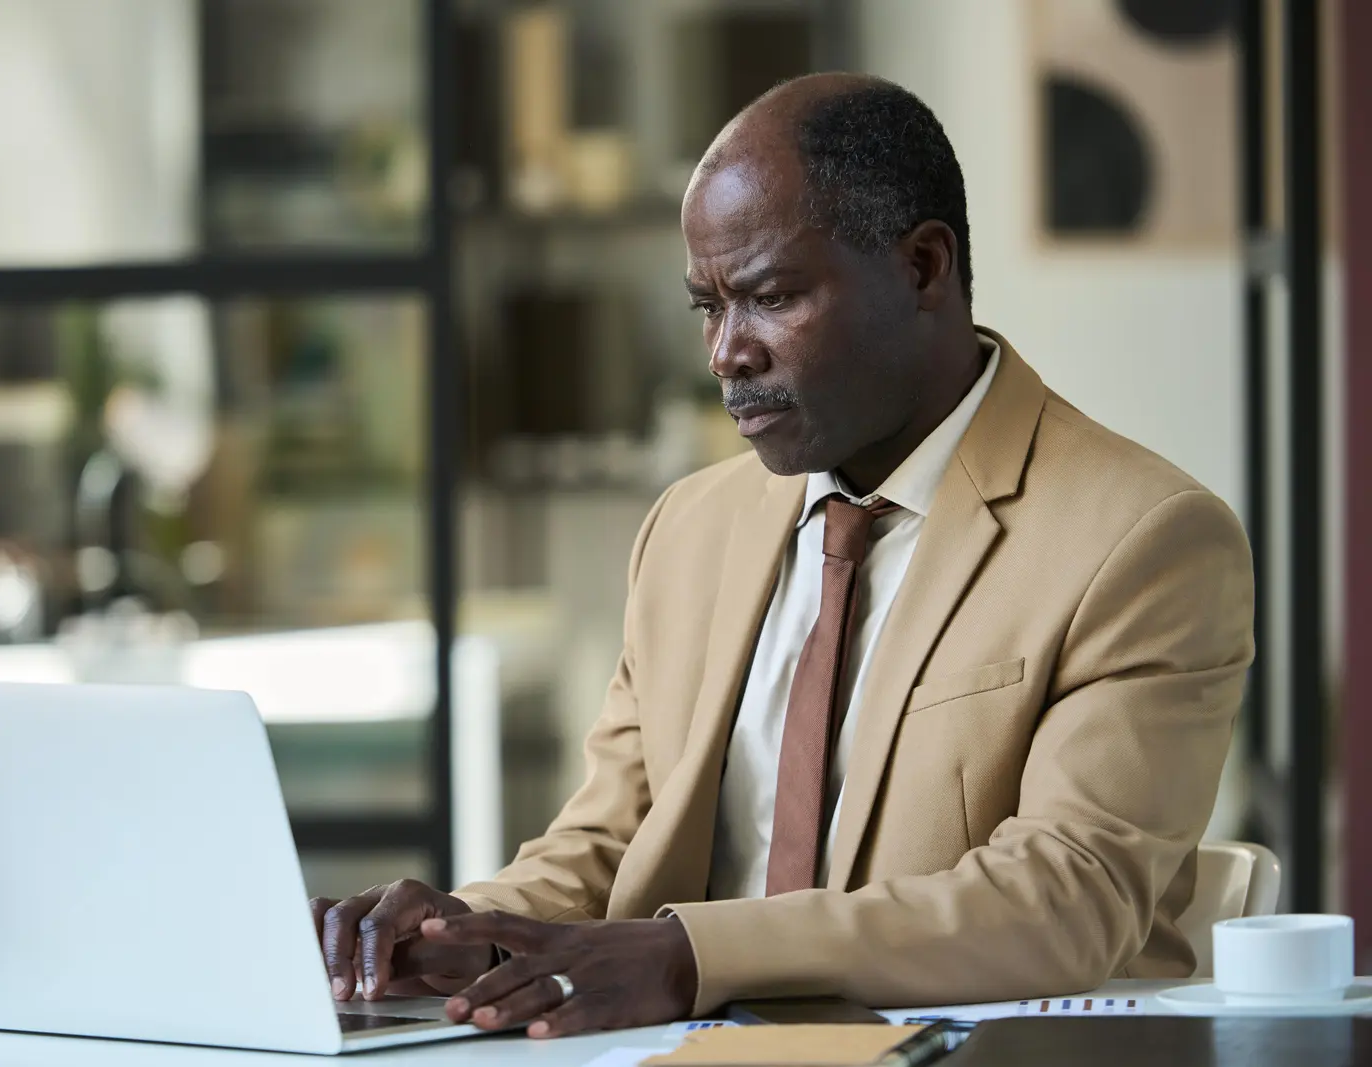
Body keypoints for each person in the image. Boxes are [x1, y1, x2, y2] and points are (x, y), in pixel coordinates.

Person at [310, 72, 1254, 1039]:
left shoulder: (1143, 538)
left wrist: (691, 958)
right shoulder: (689, 529)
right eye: (706, 308)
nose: (726, 353)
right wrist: (470, 932)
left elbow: (1068, 897)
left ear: (925, 267)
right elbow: (610, 840)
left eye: (768, 297)